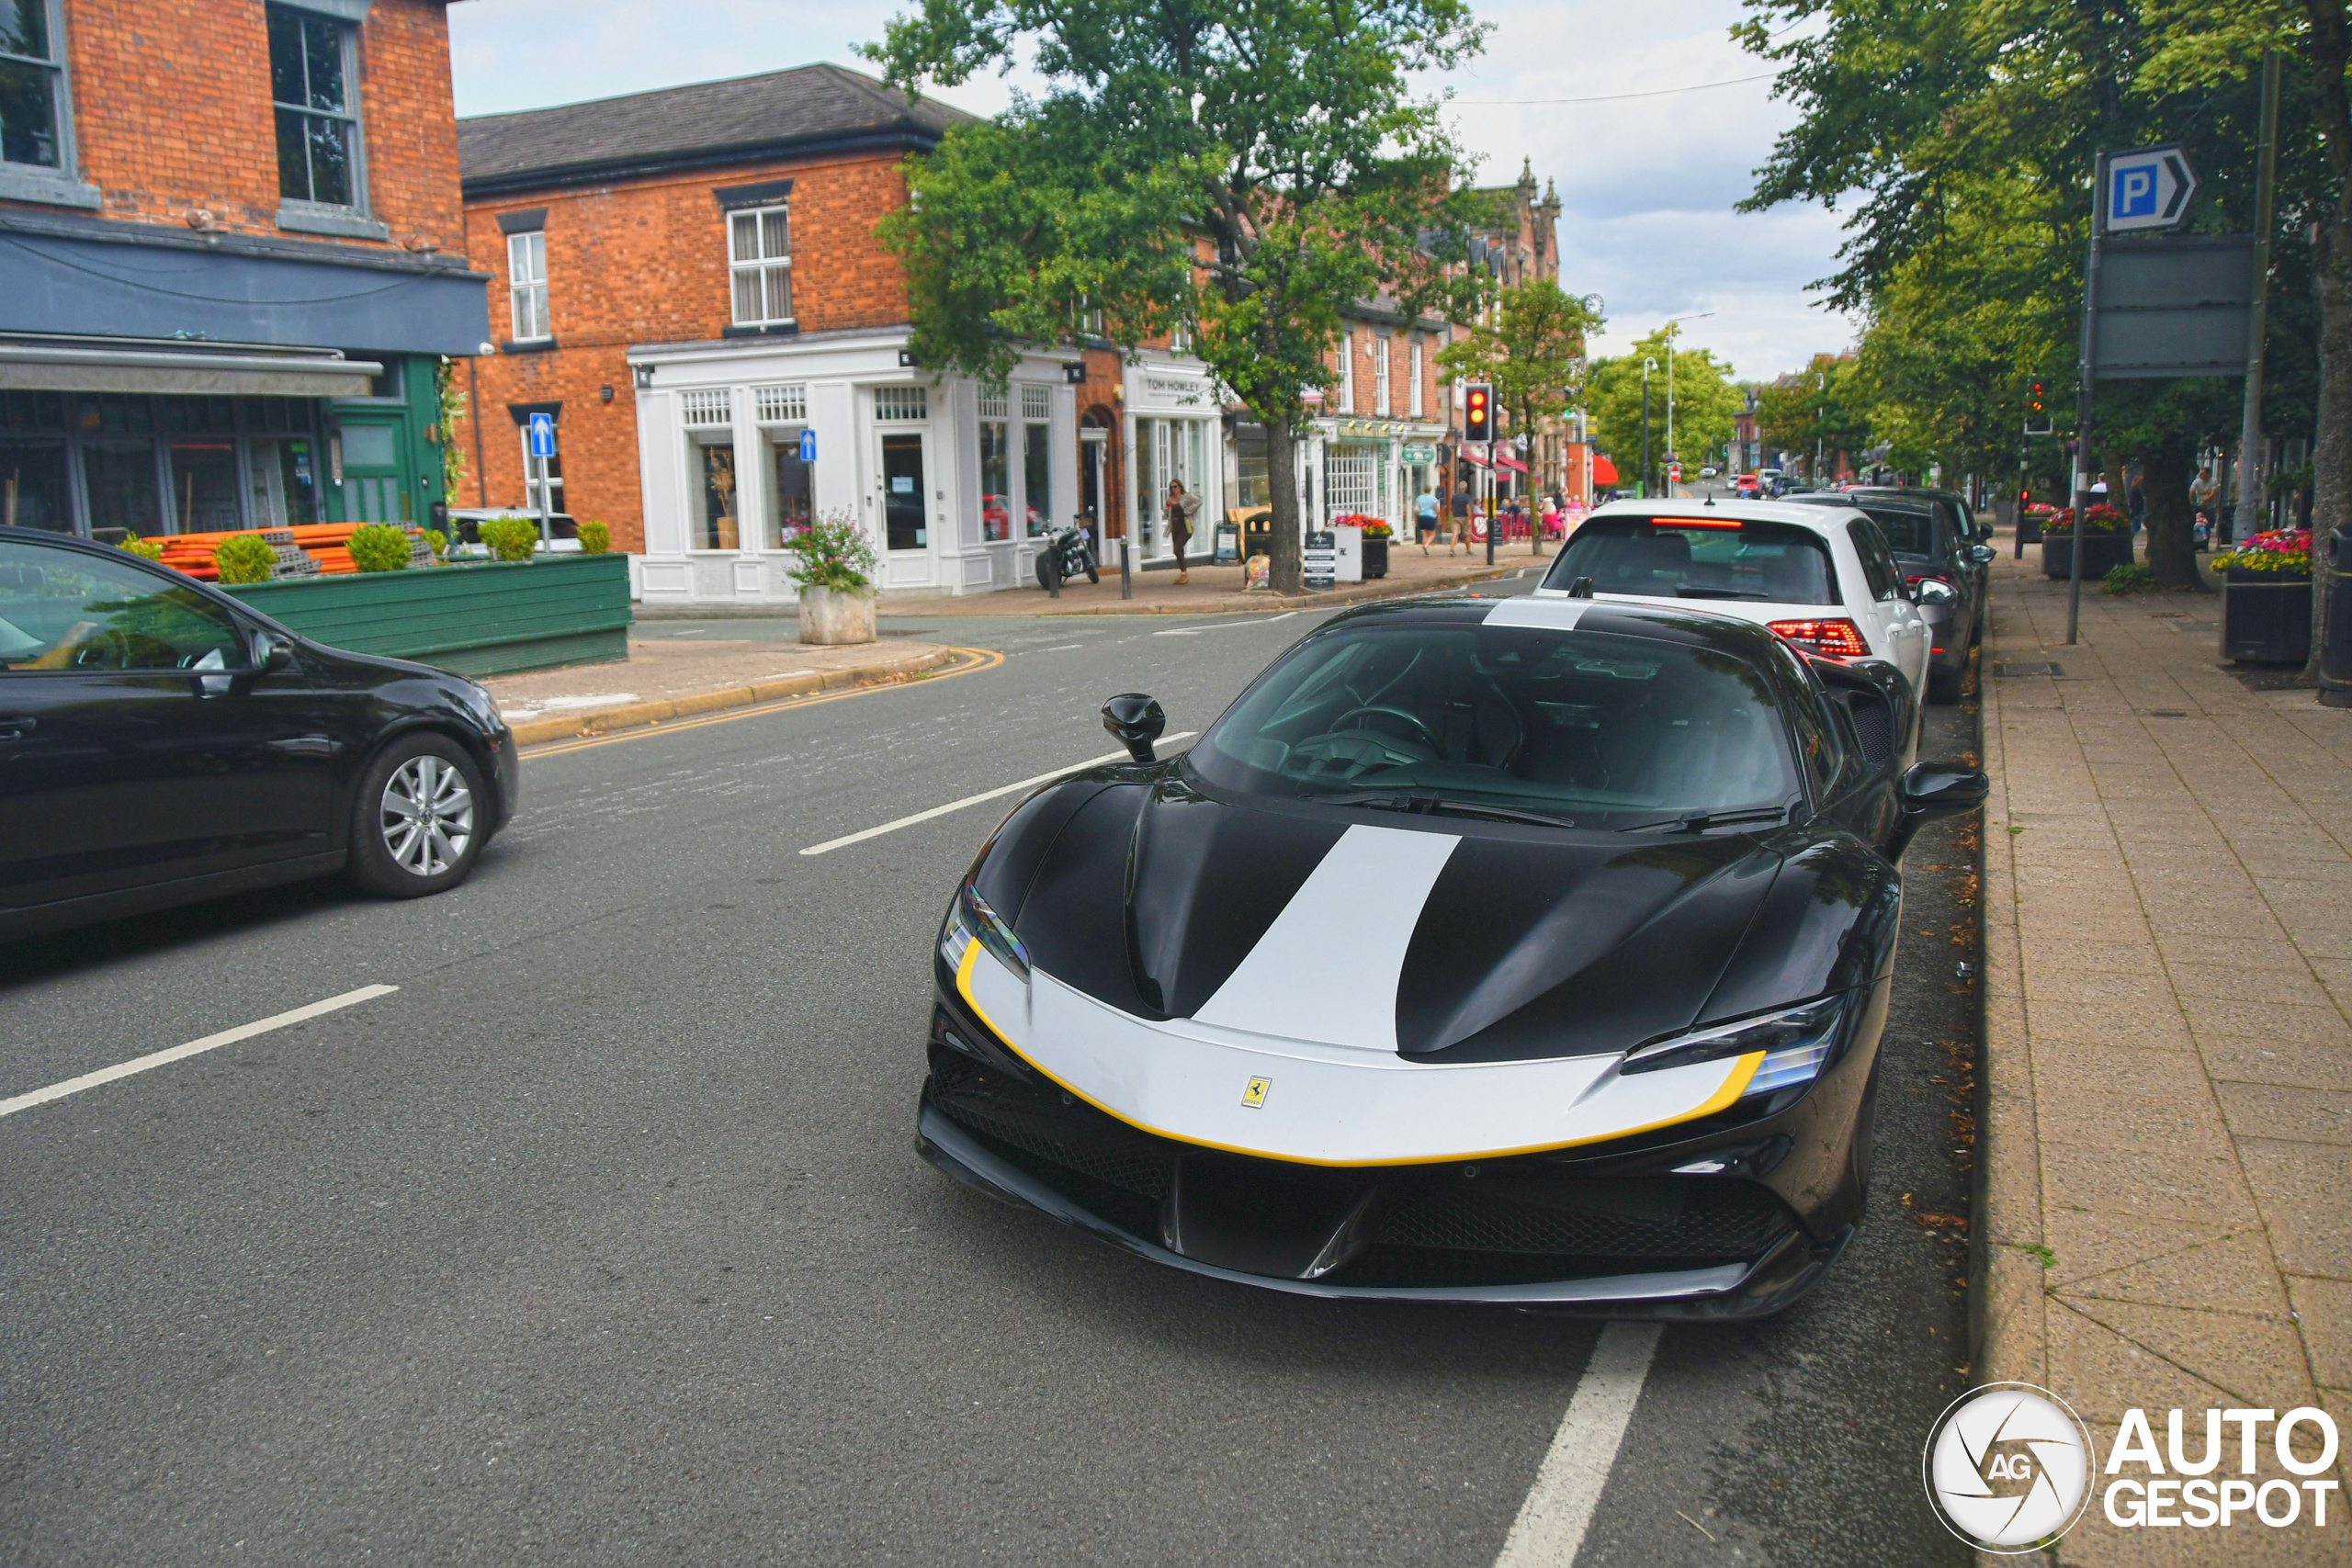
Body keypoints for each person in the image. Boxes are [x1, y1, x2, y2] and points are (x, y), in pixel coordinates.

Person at [1166, 479, 1201, 584]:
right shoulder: (1171, 498)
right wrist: (1168, 505)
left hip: (1185, 526)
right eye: (1171, 487)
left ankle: (1184, 573)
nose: (1173, 489)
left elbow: (1199, 501)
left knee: (1177, 549)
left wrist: (1188, 510)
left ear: (1180, 487)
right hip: (1175, 527)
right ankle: (1183, 575)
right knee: (1179, 550)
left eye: (1175, 486)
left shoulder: (1186, 497)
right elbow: (1167, 512)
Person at [1451, 475, 1473, 556]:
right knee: (1467, 534)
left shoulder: (1455, 496)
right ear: (1466, 488)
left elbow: (1451, 506)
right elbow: (1468, 507)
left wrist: (1452, 513)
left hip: (1456, 516)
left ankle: (1452, 549)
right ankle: (1468, 550)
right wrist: (1470, 519)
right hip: (1464, 517)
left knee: (1455, 533)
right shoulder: (1466, 497)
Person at [1415, 484, 1440, 554]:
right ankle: (1426, 545)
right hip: (1430, 517)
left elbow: (1416, 509)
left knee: (1425, 535)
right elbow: (1436, 509)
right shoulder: (1433, 499)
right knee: (1432, 534)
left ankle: (1426, 549)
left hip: (1421, 516)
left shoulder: (1419, 498)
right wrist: (1438, 516)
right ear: (1430, 490)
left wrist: (1416, 519)